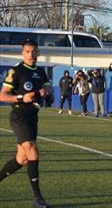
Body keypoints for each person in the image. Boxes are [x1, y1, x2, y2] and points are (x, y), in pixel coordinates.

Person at [0, 39, 52, 208]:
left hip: (32, 117)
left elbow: (49, 93)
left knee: (21, 159)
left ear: (38, 53)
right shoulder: (16, 71)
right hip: (19, 116)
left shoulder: (41, 72)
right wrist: (22, 97)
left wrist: (46, 94)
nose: (32, 54)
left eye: (34, 51)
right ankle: (38, 198)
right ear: (23, 53)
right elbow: (3, 96)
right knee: (32, 151)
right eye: (28, 51)